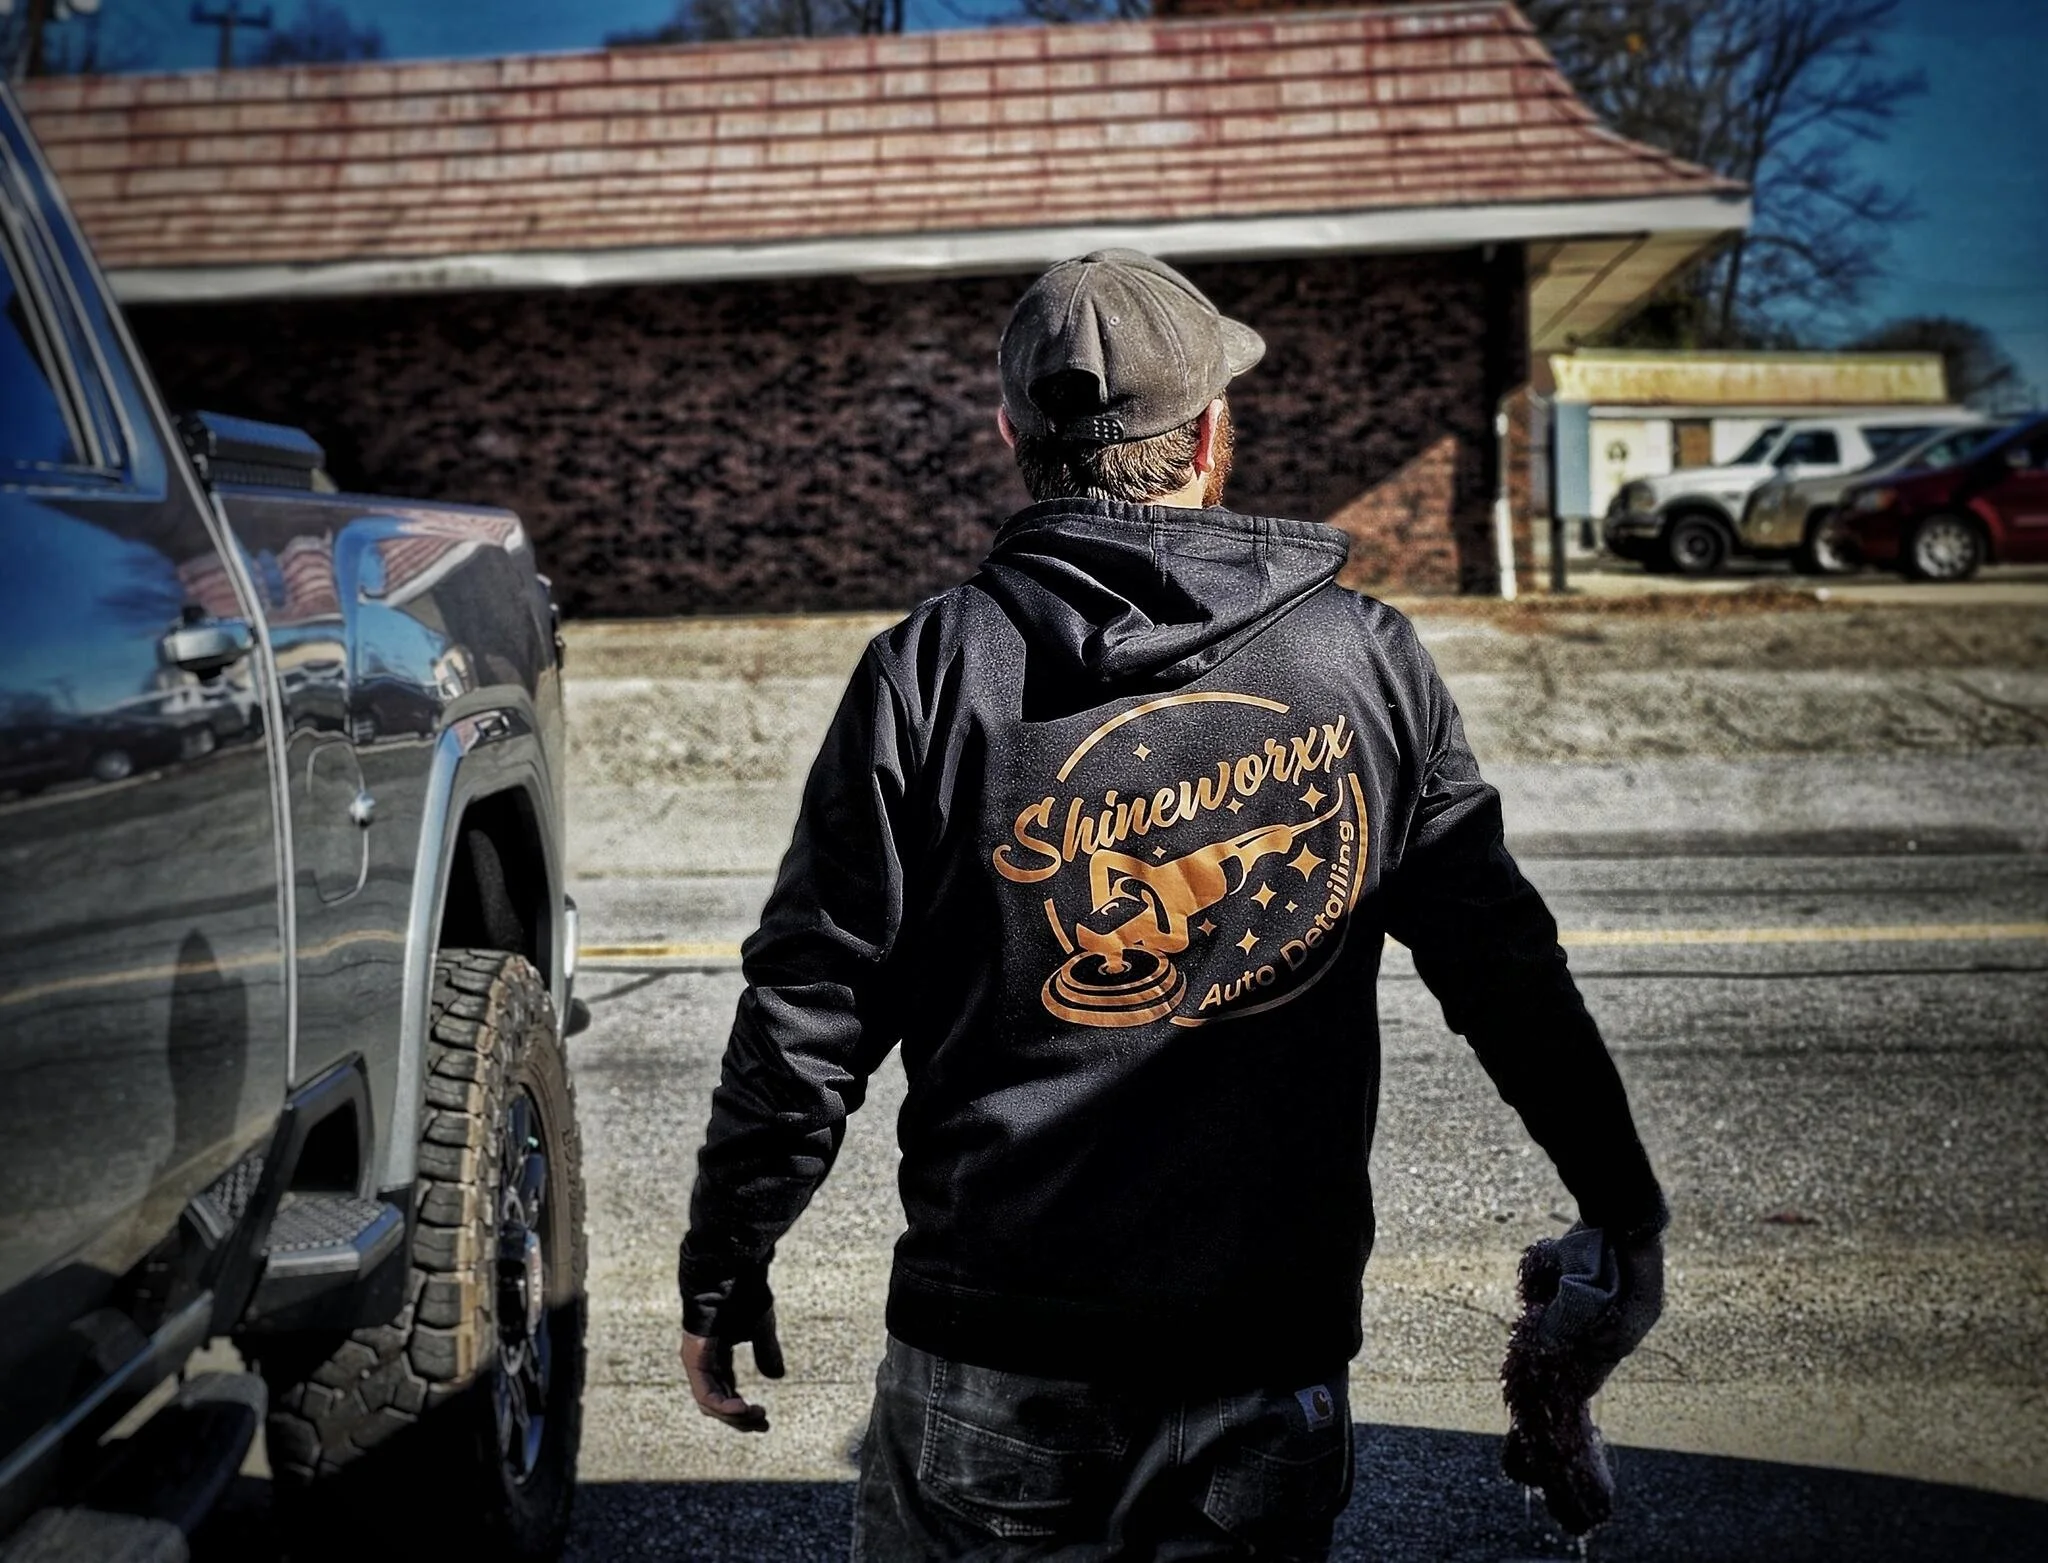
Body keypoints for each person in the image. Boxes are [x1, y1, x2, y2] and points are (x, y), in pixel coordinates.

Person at [677, 250, 1666, 1560]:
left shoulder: (930, 671)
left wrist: (728, 1257)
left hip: (996, 1355)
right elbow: (1505, 967)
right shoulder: (1367, 660)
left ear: (1012, 438)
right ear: (1207, 436)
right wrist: (1621, 1207)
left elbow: (814, 999)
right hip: (1265, 1367)